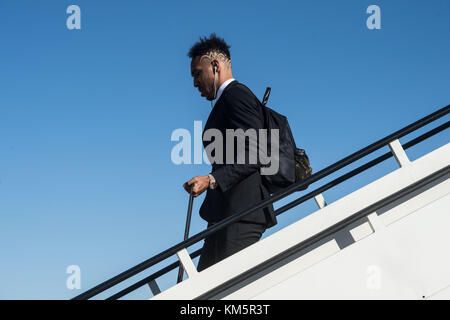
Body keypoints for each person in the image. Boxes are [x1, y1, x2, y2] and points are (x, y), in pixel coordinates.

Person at [183, 34, 277, 272]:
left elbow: (256, 152)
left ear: (215, 66)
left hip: (241, 215)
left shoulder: (237, 95)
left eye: (197, 73)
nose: (194, 83)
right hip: (227, 214)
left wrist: (211, 180)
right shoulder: (229, 99)